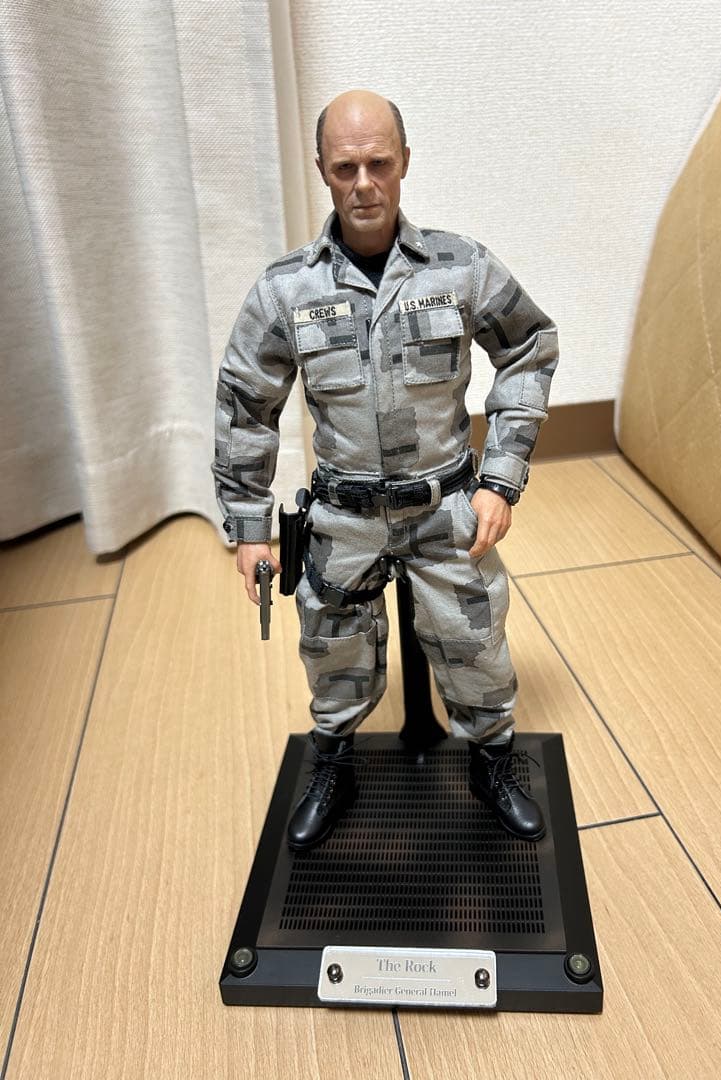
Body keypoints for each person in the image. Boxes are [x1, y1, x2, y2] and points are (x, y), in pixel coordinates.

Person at [212, 90, 558, 851]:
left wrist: (501, 477)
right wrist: (249, 527)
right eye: (346, 168)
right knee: (330, 647)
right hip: (344, 516)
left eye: (378, 163)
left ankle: (492, 760)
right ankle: (334, 760)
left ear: (404, 164)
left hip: (445, 508)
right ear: (322, 171)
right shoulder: (287, 289)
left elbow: (529, 347)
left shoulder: (460, 268)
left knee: (475, 642)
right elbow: (246, 403)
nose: (363, 183)